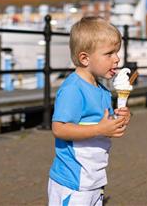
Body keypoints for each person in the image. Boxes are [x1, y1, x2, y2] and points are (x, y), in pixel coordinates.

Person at [48, 16, 131, 206]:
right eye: (109, 53)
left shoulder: (102, 90)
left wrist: (121, 119)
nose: (117, 58)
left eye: (117, 52)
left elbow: (105, 124)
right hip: (73, 181)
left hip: (94, 178)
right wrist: (100, 130)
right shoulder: (73, 89)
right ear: (85, 58)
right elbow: (59, 129)